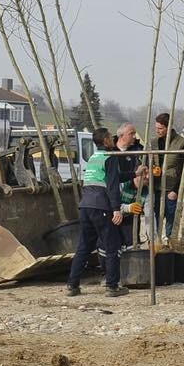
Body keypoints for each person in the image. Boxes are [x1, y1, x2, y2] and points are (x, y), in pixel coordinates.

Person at [67, 127, 132, 297]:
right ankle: (112, 286)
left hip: (85, 206)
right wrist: (117, 209)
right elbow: (112, 186)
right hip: (101, 207)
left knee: (84, 247)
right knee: (113, 246)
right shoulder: (110, 157)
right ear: (106, 141)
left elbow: (113, 177)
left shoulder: (94, 158)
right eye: (111, 137)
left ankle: (72, 286)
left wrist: (134, 173)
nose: (113, 139)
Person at [151, 112, 184, 239]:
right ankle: (156, 243)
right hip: (156, 187)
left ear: (168, 127)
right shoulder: (154, 142)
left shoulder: (181, 143)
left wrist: (176, 190)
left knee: (171, 219)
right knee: (156, 218)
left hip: (171, 188)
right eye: (156, 128)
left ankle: (170, 242)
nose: (157, 131)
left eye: (160, 128)